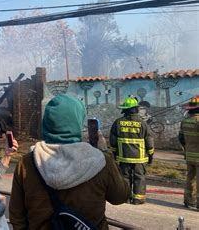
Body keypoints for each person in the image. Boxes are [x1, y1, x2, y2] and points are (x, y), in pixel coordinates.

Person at [9, 94, 129, 229]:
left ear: (46, 122)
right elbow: (120, 196)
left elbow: (17, 216)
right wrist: (106, 152)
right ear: (78, 121)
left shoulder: (26, 163)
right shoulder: (100, 161)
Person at [110, 96, 154, 205]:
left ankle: (125, 198)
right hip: (140, 157)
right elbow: (149, 140)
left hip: (124, 157)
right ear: (136, 109)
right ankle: (137, 199)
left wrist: (114, 153)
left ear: (124, 110)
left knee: (125, 177)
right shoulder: (142, 123)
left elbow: (113, 140)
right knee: (139, 177)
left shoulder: (118, 122)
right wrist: (151, 154)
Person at [178, 95, 199, 209]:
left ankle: (188, 201)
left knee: (190, 178)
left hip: (189, 155)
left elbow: (181, 138)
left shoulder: (185, 121)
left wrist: (186, 149)